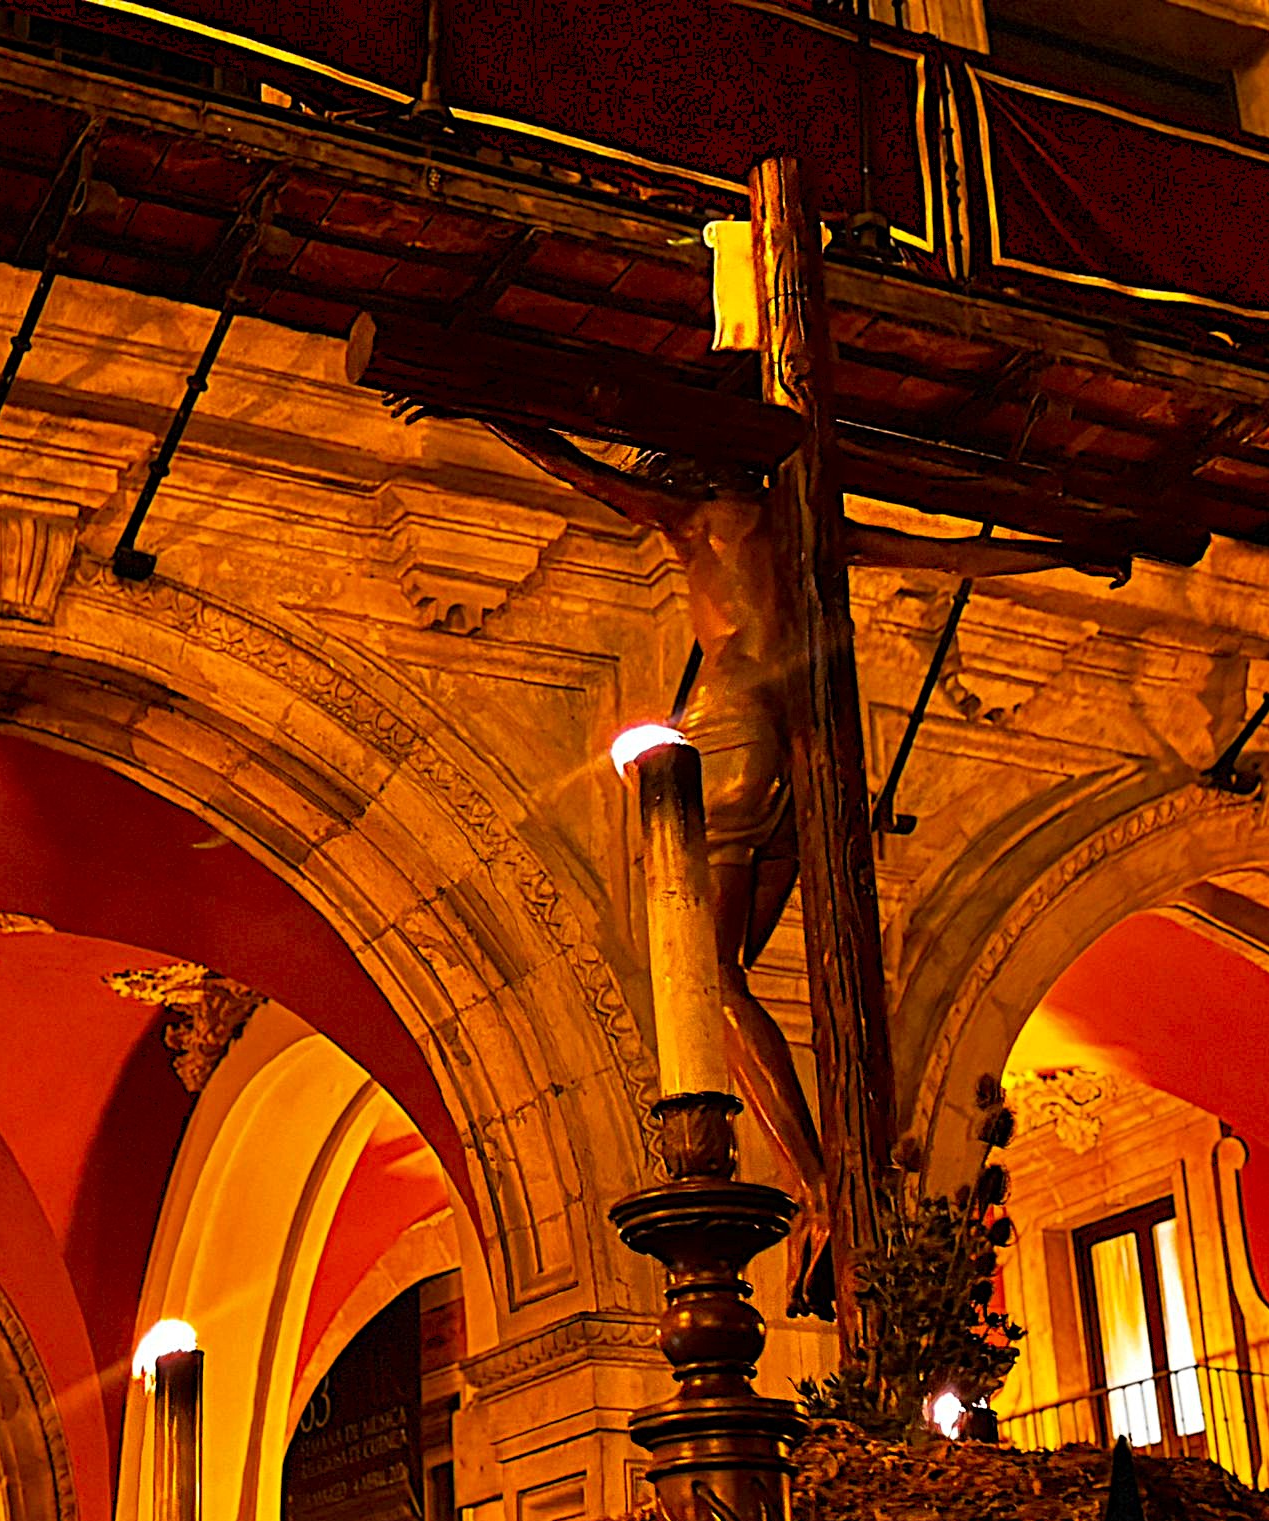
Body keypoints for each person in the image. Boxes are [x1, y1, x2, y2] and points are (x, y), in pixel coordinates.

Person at [479, 421, 1130, 1311]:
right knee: (723, 982)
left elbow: (587, 475)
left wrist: (483, 414)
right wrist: (1064, 553)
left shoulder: (700, 517)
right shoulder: (807, 521)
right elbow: (950, 556)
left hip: (734, 730)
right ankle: (822, 1186)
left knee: (710, 982)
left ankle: (817, 1187)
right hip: (802, 754)